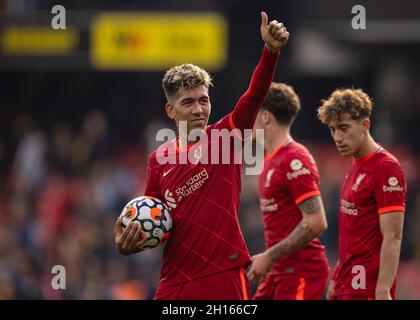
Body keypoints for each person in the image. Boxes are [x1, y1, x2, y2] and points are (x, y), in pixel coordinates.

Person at [114, 12, 289, 300]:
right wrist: (127, 242)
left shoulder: (226, 137)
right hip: (175, 279)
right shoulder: (158, 160)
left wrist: (270, 52)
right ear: (171, 110)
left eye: (203, 100)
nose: (198, 109)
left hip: (223, 273)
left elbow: (254, 96)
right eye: (188, 102)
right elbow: (153, 220)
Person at [317, 88, 407, 300]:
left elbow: (393, 236)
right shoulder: (356, 166)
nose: (337, 137)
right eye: (332, 130)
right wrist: (338, 276)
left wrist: (383, 290)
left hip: (367, 289)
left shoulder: (386, 168)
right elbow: (354, 234)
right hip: (347, 284)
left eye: (344, 128)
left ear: (365, 125)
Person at [247, 83, 329, 300]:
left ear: (266, 117)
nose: (248, 120)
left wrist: (269, 256)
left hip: (301, 272)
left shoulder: (294, 159)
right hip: (279, 272)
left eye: (253, 112)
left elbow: (316, 222)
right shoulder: (270, 159)